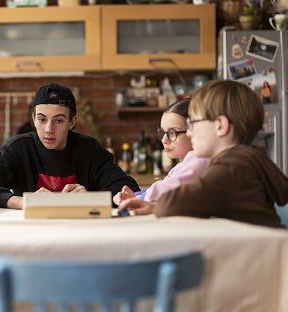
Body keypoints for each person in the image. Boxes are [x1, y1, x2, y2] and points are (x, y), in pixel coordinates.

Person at [118, 79, 287, 228]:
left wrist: (158, 207)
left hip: (257, 255)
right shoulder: (254, 158)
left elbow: (185, 198)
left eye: (193, 124)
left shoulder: (230, 166)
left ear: (220, 126)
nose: (190, 133)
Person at [0, 83, 140, 209]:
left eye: (58, 120)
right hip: (31, 231)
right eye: (42, 119)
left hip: (81, 232)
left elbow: (130, 190)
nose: (49, 130)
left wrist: (91, 198)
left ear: (72, 122)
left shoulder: (89, 150)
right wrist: (24, 201)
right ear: (33, 119)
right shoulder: (18, 148)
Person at [113, 99, 210, 204]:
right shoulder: (182, 165)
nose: (164, 140)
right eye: (162, 132)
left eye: (172, 133)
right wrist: (136, 195)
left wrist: (136, 199)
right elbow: (164, 185)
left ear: (194, 132)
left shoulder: (198, 159)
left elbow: (167, 189)